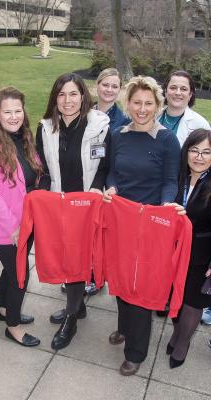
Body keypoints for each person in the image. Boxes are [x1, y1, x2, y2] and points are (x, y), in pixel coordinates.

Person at [104, 76, 181, 376]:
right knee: (122, 277)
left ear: (157, 105)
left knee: (141, 286)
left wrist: (164, 207)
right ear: (127, 103)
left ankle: (136, 351)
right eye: (137, 102)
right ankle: (124, 327)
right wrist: (110, 188)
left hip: (150, 223)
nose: (142, 108)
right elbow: (111, 173)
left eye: (149, 103)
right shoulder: (118, 134)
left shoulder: (166, 139)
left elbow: (170, 180)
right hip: (121, 219)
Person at [36, 72, 110, 350]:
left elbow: (104, 164)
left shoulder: (99, 125)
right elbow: (42, 166)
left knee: (77, 261)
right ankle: (77, 306)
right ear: (55, 98)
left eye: (73, 94)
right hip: (58, 203)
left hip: (86, 204)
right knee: (65, 257)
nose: (68, 100)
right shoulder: (45, 127)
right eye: (62, 94)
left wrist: (97, 188)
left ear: (83, 95)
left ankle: (71, 317)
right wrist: (42, 193)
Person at [0, 87, 42, 347]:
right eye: (7, 112)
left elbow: (35, 174)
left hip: (27, 222)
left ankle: (4, 309)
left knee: (12, 270)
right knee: (19, 275)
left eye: (18, 110)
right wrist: (14, 226)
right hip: (6, 226)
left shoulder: (25, 139)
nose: (13, 116)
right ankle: (12, 327)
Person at [166, 128, 211, 368]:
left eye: (207, 152)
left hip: (202, 254)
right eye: (194, 150)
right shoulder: (177, 176)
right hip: (173, 250)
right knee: (175, 296)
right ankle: (176, 332)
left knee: (193, 302)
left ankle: (182, 342)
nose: (199, 157)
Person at [160, 70, 210, 146]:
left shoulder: (200, 125)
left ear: (190, 94)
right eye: (173, 88)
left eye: (183, 89)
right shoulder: (153, 116)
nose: (178, 93)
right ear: (166, 92)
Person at [94, 68, 130, 133]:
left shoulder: (124, 121)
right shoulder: (82, 112)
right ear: (97, 85)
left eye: (115, 87)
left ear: (120, 89)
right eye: (105, 85)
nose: (109, 90)